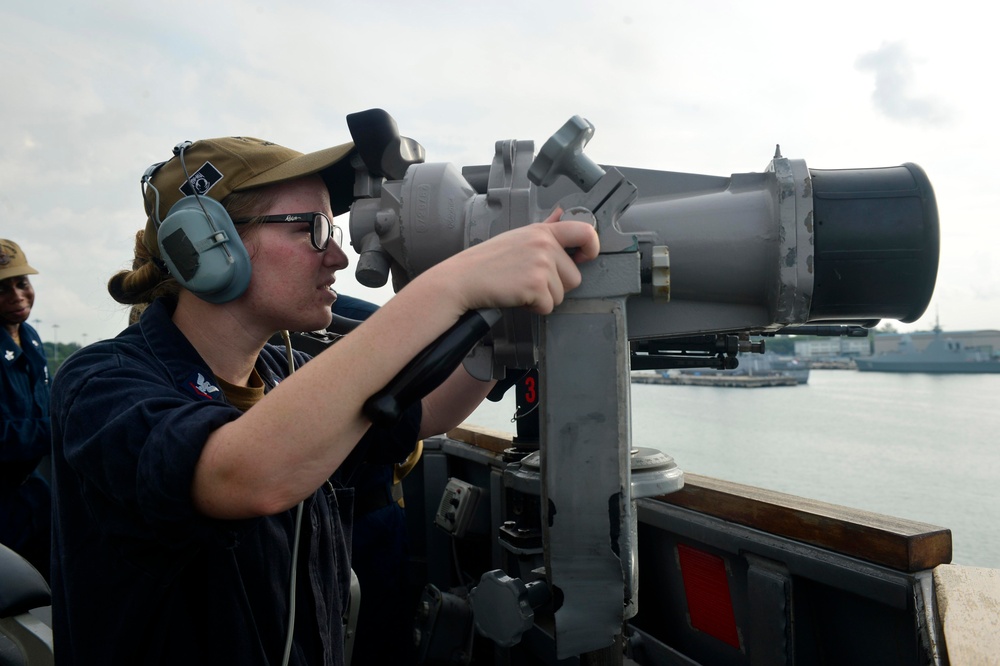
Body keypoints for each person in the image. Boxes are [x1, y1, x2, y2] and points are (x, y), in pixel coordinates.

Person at [49, 135, 599, 665]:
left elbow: (425, 411)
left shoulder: (283, 373)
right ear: (207, 244)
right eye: (312, 229)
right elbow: (241, 473)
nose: (337, 255)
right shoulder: (101, 384)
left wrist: (501, 328)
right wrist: (453, 286)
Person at [0, 239, 51, 580]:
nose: (18, 295)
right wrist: (59, 428)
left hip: (29, 491)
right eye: (3, 288)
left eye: (22, 283)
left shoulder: (29, 336)